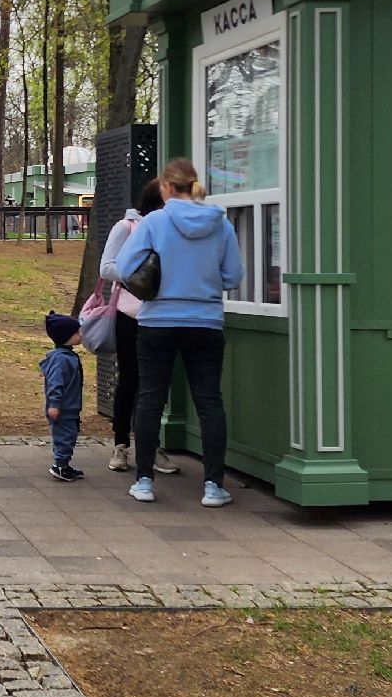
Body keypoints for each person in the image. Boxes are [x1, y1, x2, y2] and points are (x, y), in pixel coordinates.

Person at [110, 158, 243, 508]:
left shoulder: (153, 221)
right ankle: (214, 486)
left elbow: (124, 268)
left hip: (158, 322)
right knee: (210, 401)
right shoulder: (221, 223)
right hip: (206, 321)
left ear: (167, 187)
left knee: (150, 398)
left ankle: (143, 481)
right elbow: (233, 276)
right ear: (193, 185)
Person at [99, 180, 178, 476]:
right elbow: (106, 267)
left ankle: (152, 445)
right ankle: (121, 444)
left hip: (163, 316)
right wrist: (143, 272)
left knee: (156, 383)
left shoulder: (172, 230)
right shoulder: (127, 227)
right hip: (130, 316)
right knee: (130, 380)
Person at [40, 313, 85, 482]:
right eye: (77, 332)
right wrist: (54, 404)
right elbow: (55, 384)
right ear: (67, 337)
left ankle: (63, 463)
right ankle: (60, 465)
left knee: (69, 434)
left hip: (69, 406)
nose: (81, 335)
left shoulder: (67, 357)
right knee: (65, 436)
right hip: (63, 407)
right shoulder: (61, 360)